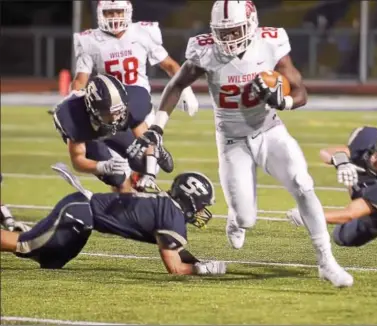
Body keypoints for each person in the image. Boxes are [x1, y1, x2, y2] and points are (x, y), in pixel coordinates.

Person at [127, 0, 353, 287]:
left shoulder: (270, 42)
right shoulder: (205, 50)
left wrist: (283, 101)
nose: (230, 38)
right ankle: (236, 217)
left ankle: (326, 261)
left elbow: (301, 92)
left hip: (270, 129)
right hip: (231, 139)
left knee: (302, 183)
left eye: (235, 31)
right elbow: (176, 84)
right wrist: (158, 127)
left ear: (251, 24)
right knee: (246, 218)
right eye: (224, 32)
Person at [0, 163, 226, 276]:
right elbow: (174, 267)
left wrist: (199, 263)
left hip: (82, 215)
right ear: (190, 199)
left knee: (51, 263)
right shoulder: (172, 217)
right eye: (202, 205)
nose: (202, 211)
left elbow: (175, 249)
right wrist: (201, 270)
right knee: (25, 244)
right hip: (79, 212)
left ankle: (34, 231)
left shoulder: (169, 209)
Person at [49, 0, 198, 117]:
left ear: (127, 12)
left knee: (149, 152)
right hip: (108, 108)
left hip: (140, 105)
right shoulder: (91, 40)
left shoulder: (142, 32)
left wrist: (186, 91)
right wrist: (72, 101)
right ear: (101, 14)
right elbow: (81, 79)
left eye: (118, 12)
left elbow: (170, 65)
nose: (114, 17)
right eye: (109, 12)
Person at [287, 126, 377, 247]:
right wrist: (342, 162)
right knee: (354, 167)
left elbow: (349, 214)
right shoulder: (370, 142)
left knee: (341, 238)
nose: (373, 158)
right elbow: (326, 152)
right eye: (376, 152)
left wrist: (308, 215)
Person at [52, 73, 173, 193]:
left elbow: (146, 141)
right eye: (108, 115)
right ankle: (124, 198)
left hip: (110, 127)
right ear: (92, 110)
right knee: (117, 178)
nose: (115, 119)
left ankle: (137, 184)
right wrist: (104, 166)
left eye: (119, 112)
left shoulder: (132, 104)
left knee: (143, 160)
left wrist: (150, 173)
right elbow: (78, 161)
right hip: (91, 133)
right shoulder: (75, 117)